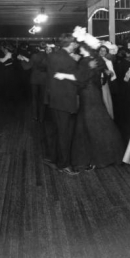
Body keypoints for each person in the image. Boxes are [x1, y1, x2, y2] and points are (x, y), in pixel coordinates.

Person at [65, 34, 124, 171]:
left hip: (87, 93)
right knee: (98, 121)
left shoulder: (86, 61)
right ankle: (107, 155)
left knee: (91, 123)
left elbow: (80, 79)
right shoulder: (95, 60)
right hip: (94, 92)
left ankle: (94, 157)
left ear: (84, 48)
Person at [46, 32, 82, 175]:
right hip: (66, 100)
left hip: (55, 99)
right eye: (75, 43)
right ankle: (64, 164)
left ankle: (53, 158)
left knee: (57, 130)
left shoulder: (52, 56)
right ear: (71, 44)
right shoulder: (70, 60)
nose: (76, 45)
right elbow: (79, 79)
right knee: (65, 134)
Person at [18, 42, 48, 123]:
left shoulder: (34, 56)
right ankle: (41, 118)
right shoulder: (49, 56)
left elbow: (27, 67)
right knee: (42, 99)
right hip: (44, 79)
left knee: (34, 98)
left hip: (34, 79)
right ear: (45, 48)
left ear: (38, 48)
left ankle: (35, 116)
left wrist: (22, 60)